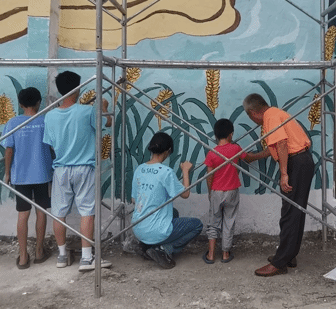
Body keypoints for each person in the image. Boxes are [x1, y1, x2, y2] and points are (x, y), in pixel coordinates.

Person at [43, 71, 112, 271]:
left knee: (59, 213)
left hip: (61, 169)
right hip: (84, 168)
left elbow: (50, 144)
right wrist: (104, 107)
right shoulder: (87, 111)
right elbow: (108, 123)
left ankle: (62, 256)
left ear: (60, 90)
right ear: (78, 88)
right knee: (87, 211)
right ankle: (86, 258)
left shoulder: (50, 116)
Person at [243, 94, 314, 277]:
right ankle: (289, 255)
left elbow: (282, 144)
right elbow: (274, 147)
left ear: (253, 113)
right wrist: (254, 157)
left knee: (289, 213)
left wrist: (284, 174)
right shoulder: (275, 113)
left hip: (296, 163)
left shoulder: (271, 117)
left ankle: (280, 262)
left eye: (249, 116)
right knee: (294, 212)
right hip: (301, 161)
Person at [202, 119, 270, 264]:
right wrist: (266, 153)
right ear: (231, 134)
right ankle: (225, 254)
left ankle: (211, 255)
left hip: (216, 191)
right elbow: (249, 158)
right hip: (232, 191)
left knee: (213, 222)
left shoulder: (211, 153)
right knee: (229, 221)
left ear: (215, 135)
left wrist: (210, 192)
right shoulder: (235, 149)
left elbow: (209, 176)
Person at [131, 132, 203, 269]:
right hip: (155, 230)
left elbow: (134, 200)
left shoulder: (140, 169)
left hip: (138, 228)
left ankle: (146, 245)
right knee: (197, 225)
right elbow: (185, 194)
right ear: (168, 151)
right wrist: (185, 171)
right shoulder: (166, 172)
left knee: (174, 213)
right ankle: (164, 249)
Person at [3, 87, 54, 269]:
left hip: (21, 176)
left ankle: (23, 256)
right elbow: (52, 147)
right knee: (41, 212)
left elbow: (9, 150)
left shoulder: (12, 123)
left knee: (23, 214)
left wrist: (7, 173)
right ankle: (39, 252)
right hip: (42, 174)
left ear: (20, 104)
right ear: (39, 102)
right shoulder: (45, 121)